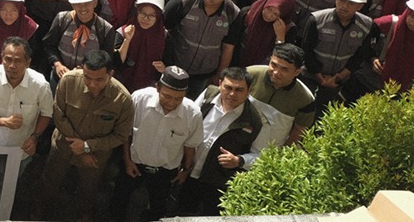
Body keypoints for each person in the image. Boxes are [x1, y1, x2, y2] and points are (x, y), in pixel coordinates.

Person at [38, 49, 134, 222]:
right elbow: (58, 114)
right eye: (87, 77)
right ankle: (39, 210)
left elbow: (120, 135)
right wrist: (81, 151)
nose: (92, 84)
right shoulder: (68, 81)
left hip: (96, 156)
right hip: (62, 147)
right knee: (49, 182)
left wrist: (88, 147)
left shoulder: (123, 99)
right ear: (82, 69)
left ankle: (84, 214)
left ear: (111, 74)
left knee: (89, 189)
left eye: (99, 79)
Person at [122, 66, 203, 222]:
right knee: (120, 198)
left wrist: (185, 170)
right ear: (157, 87)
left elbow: (190, 145)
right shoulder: (139, 99)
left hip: (166, 171)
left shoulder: (193, 114)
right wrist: (127, 161)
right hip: (134, 163)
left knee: (158, 207)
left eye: (178, 98)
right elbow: (126, 133)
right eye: (167, 96)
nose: (172, 103)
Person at [183, 67, 267, 216]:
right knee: (182, 211)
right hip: (187, 172)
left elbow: (260, 155)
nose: (232, 94)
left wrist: (239, 160)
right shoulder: (208, 95)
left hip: (218, 181)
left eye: (239, 90)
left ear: (249, 91)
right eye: (228, 87)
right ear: (220, 84)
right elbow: (187, 123)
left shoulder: (255, 120)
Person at [0, 35, 52, 165]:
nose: (12, 66)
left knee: (13, 183)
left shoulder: (40, 84)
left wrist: (35, 137)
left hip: (21, 150)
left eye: (18, 61)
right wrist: (4, 121)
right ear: (1, 58)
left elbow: (46, 113)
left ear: (28, 62)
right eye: (7, 60)